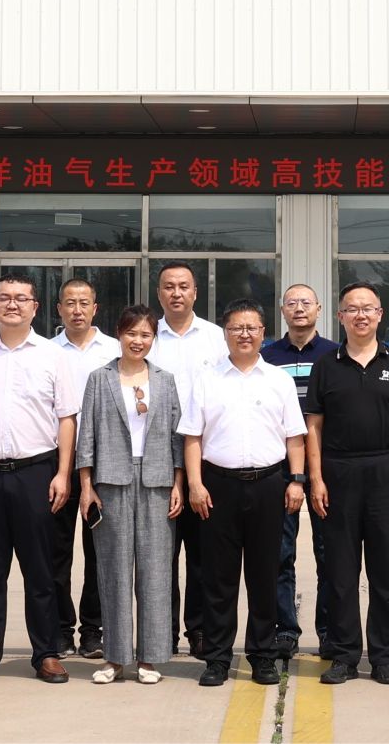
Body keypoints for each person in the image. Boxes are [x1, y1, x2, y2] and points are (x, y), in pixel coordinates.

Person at [0, 274, 78, 687]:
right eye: (4, 297)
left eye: (21, 298)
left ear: (35, 307)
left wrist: (63, 473)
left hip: (36, 473)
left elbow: (66, 418)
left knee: (41, 571)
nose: (12, 304)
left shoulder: (52, 355)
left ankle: (47, 653)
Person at [179, 300, 308, 688]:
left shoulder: (278, 380)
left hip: (269, 485)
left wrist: (297, 480)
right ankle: (217, 658)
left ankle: (262, 655)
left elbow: (295, 437)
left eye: (252, 328)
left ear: (263, 333)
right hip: (218, 486)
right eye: (237, 328)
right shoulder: (208, 379)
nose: (245, 334)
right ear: (225, 333)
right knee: (218, 578)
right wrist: (195, 484)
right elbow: (192, 438)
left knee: (265, 574)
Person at [305, 281, 389, 685]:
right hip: (338, 473)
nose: (360, 315)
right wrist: (316, 479)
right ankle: (344, 655)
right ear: (340, 316)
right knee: (340, 572)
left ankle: (384, 657)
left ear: (379, 315)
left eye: (368, 308)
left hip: (388, 474)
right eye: (352, 309)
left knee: (387, 573)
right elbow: (314, 426)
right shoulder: (326, 365)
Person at [76, 305, 185, 685]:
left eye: (145, 335)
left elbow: (177, 435)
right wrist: (86, 485)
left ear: (153, 338)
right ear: (119, 335)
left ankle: (151, 658)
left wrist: (179, 483)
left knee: (156, 572)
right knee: (114, 572)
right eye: (131, 333)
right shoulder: (99, 378)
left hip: (157, 481)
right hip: (111, 480)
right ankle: (116, 657)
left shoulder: (165, 380)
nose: (138, 341)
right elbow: (86, 434)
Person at [149, 261, 226, 659]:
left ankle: (198, 629)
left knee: (202, 554)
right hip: (154, 457)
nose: (176, 293)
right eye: (169, 286)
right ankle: (161, 631)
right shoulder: (147, 336)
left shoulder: (215, 338)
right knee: (160, 553)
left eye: (183, 286)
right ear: (159, 293)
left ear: (195, 292)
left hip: (204, 458)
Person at [261, 283, 339, 657]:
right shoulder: (267, 356)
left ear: (319, 309)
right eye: (291, 303)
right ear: (282, 310)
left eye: (306, 302)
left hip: (326, 463)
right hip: (280, 464)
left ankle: (328, 630)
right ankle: (286, 630)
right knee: (280, 552)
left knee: (329, 552)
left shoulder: (335, 355)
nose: (299, 308)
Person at [51, 278, 121, 661]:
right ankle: (61, 629)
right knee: (56, 550)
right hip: (58, 462)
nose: (77, 310)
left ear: (95, 308)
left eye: (84, 303)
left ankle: (93, 630)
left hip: (105, 463)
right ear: (59, 309)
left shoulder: (114, 351)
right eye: (70, 303)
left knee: (99, 551)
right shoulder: (46, 352)